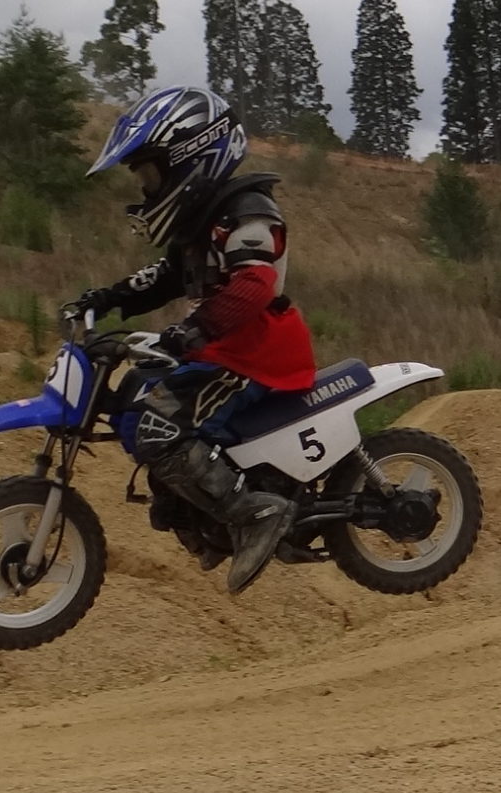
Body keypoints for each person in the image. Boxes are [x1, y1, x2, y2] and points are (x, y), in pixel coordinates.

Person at [61, 86, 317, 594]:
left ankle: (255, 513)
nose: (146, 189)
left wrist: (195, 329)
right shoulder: (200, 224)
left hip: (255, 355)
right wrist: (107, 297)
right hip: (220, 351)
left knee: (160, 426)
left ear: (191, 157)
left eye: (150, 175)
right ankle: (200, 512)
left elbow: (254, 282)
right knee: (132, 406)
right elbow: (165, 278)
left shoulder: (246, 211)